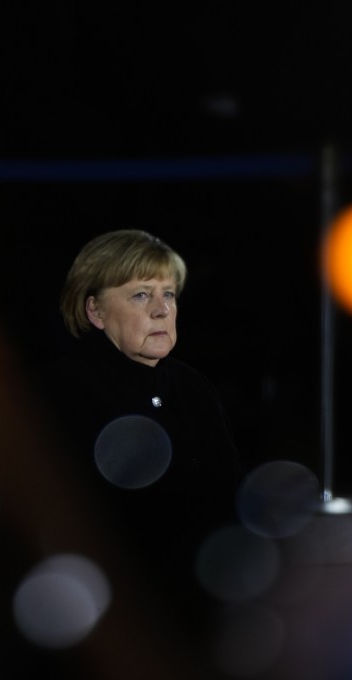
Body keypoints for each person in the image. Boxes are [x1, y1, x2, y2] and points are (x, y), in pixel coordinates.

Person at [33, 228, 244, 655]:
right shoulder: (62, 389)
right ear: (95, 311)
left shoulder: (192, 386)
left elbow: (228, 498)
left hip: (199, 614)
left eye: (169, 294)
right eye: (141, 295)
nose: (162, 310)